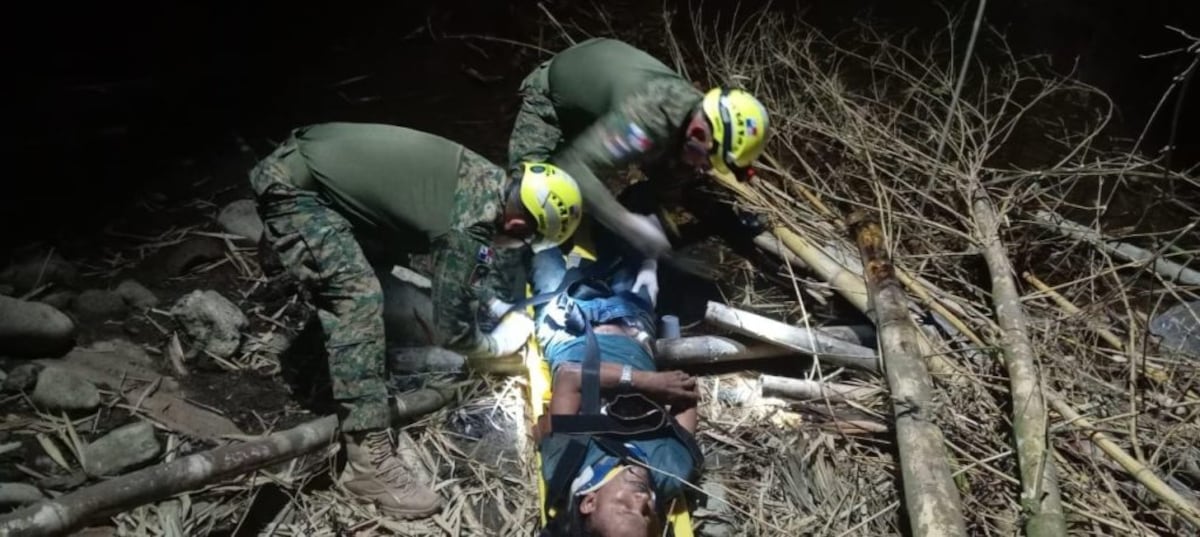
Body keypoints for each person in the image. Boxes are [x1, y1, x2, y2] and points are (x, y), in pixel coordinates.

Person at [248, 122, 584, 519]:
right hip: (294, 189)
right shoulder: (469, 224)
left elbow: (462, 267)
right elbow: (452, 327)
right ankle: (366, 464)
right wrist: (495, 346)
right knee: (358, 296)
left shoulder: (488, 183)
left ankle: (319, 274)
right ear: (517, 225)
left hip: (313, 166)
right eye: (524, 242)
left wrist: (489, 302)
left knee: (387, 253)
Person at [508, 37, 771, 262]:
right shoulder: (650, 119)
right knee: (529, 199)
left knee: (676, 177)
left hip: (602, 109)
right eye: (708, 161)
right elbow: (574, 167)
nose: (705, 168)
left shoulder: (695, 117)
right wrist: (629, 224)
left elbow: (673, 182)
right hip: (553, 102)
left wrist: (713, 223)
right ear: (699, 133)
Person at [527, 222, 703, 537]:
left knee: (540, 246)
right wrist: (668, 386)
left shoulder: (567, 464)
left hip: (568, 321)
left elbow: (570, 378)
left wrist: (647, 383)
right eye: (648, 514)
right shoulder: (670, 472)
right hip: (632, 323)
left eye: (624, 507)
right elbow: (687, 393)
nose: (642, 500)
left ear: (589, 502)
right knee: (634, 237)